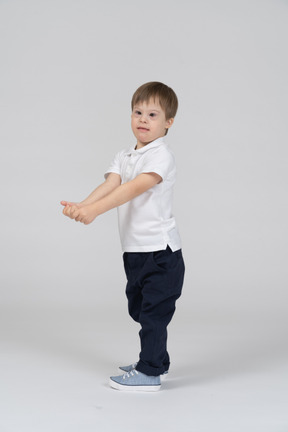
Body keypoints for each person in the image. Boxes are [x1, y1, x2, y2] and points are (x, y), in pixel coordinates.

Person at [61, 81, 185, 392]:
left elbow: (131, 189)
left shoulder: (161, 156)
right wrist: (83, 205)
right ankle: (157, 360)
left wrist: (96, 212)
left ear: (169, 122)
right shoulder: (125, 155)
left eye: (153, 114)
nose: (143, 119)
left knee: (153, 315)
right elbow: (111, 184)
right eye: (138, 112)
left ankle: (149, 371)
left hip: (160, 252)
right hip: (135, 251)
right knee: (139, 309)